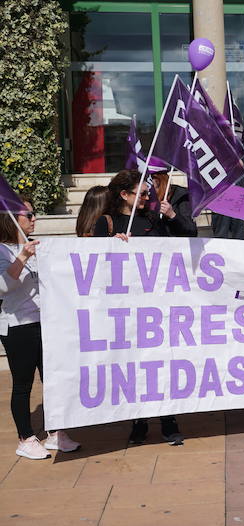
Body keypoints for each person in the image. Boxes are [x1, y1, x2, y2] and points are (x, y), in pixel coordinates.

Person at [92, 170, 185, 444]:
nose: (147, 198)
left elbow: (181, 240)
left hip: (156, 308)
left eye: (148, 193)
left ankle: (169, 420)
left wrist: (171, 217)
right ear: (124, 195)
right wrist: (113, 247)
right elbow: (95, 267)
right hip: (127, 311)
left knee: (161, 364)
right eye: (142, 194)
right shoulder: (106, 223)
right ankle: (139, 422)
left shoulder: (153, 218)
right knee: (134, 366)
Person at [0, 201, 81, 459]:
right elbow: (3, 287)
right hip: (18, 326)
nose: (34, 219)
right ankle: (25, 437)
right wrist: (23, 257)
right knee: (23, 384)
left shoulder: (40, 245)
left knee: (52, 381)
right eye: (29, 214)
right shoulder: (3, 250)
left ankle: (56, 433)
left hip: (46, 323)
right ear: (12, 219)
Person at [148, 159, 197, 237]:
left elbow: (191, 231)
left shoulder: (180, 195)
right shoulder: (144, 197)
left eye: (148, 179)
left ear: (159, 180)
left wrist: (172, 215)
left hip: (174, 246)